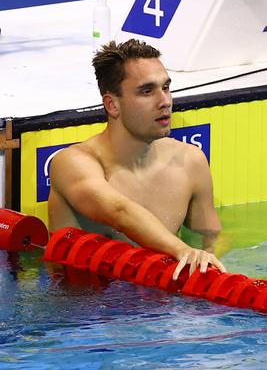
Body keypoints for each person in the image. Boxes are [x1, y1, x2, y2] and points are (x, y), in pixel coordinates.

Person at [48, 39, 226, 279]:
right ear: (112, 105)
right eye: (147, 91)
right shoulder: (73, 163)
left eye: (166, 87)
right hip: (87, 308)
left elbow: (210, 241)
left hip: (165, 304)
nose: (164, 101)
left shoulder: (190, 161)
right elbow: (120, 212)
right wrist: (182, 249)